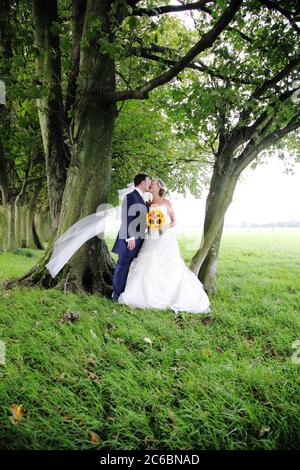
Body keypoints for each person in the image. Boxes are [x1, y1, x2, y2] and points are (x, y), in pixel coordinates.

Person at [117, 179, 210, 314]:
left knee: (168, 265)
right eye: (150, 183)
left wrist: (164, 227)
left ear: (159, 187)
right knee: (147, 263)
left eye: (153, 183)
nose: (151, 185)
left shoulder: (167, 203)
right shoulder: (147, 203)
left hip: (165, 238)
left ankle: (169, 295)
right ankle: (142, 294)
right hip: (150, 238)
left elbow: (174, 221)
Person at [111, 173, 151, 301]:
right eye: (148, 181)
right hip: (129, 239)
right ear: (143, 182)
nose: (149, 184)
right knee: (122, 266)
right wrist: (130, 237)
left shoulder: (141, 198)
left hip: (138, 239)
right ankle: (116, 296)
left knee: (126, 266)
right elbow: (126, 218)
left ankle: (122, 293)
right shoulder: (131, 196)